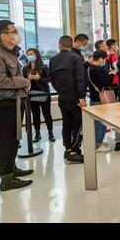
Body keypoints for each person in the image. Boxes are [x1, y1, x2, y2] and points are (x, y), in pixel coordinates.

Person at [0, 20, 33, 192]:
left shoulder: (11, 53)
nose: (17, 33)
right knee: (6, 140)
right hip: (5, 103)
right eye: (14, 31)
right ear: (4, 35)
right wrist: (24, 80)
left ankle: (11, 168)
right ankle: (6, 178)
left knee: (13, 139)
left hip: (15, 101)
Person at [49, 35, 86, 164]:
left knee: (66, 123)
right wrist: (81, 96)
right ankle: (74, 151)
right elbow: (79, 79)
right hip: (75, 97)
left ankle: (68, 148)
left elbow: (52, 80)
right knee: (79, 124)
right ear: (71, 45)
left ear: (59, 45)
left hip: (62, 97)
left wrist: (61, 91)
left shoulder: (52, 60)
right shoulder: (75, 58)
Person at [22, 48, 55, 143]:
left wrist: (39, 78)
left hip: (43, 93)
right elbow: (22, 81)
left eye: (31, 54)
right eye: (28, 54)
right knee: (35, 115)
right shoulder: (25, 68)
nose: (29, 56)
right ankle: (37, 133)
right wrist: (27, 80)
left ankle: (50, 133)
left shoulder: (44, 67)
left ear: (36, 55)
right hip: (31, 95)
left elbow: (49, 79)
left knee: (47, 115)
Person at [88, 50, 116, 153]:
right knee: (101, 122)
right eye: (104, 60)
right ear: (100, 59)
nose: (104, 62)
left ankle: (96, 142)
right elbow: (103, 83)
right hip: (99, 99)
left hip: (93, 98)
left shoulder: (89, 68)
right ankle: (98, 145)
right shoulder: (97, 69)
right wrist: (112, 74)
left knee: (96, 122)